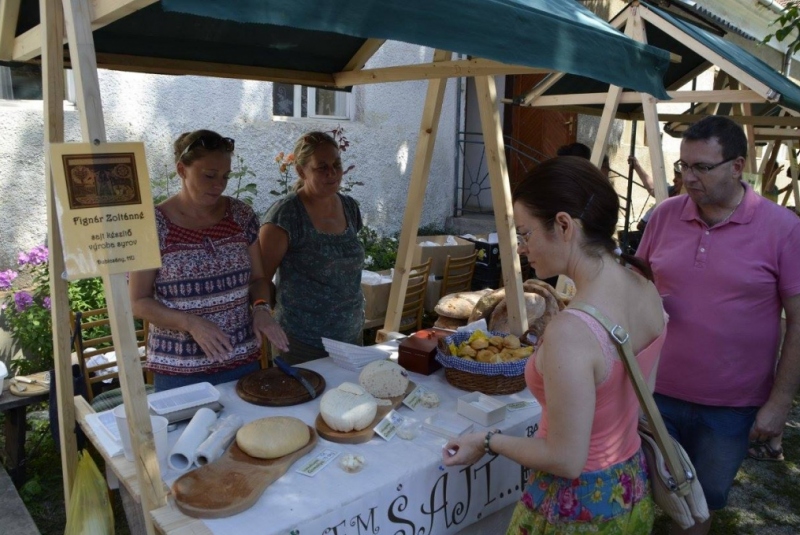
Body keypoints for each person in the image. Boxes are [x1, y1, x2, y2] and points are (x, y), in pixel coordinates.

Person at [443, 156, 667, 534]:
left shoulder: (572, 330)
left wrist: (486, 440)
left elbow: (565, 458)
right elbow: (644, 395)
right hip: (628, 484)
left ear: (563, 225)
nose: (521, 247)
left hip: (576, 507)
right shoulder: (645, 287)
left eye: (526, 233)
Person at [637, 115, 800, 534]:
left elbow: (799, 322)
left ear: (737, 165)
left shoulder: (783, 229)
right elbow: (634, 291)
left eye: (701, 167)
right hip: (652, 394)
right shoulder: (664, 216)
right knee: (632, 496)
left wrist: (779, 404)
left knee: (697, 509)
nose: (688, 177)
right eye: (682, 166)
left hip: (730, 407)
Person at [130, 130, 288, 391]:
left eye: (225, 176)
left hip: (241, 361)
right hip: (180, 369)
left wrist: (261, 308)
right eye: (209, 175)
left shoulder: (240, 215)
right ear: (182, 170)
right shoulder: (153, 225)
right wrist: (190, 323)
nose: (219, 185)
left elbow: (259, 279)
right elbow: (138, 302)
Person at [259, 131, 365, 365]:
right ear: (300, 171)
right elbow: (260, 279)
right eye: (321, 167)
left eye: (336, 164)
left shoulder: (349, 207)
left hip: (351, 337)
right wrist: (268, 316)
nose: (332, 173)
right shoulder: (286, 215)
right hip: (301, 343)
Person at [628, 155, 684, 232]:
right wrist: (637, 166)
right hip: (645, 228)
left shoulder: (687, 203)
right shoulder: (671, 191)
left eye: (679, 177)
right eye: (675, 176)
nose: (674, 180)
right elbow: (653, 189)